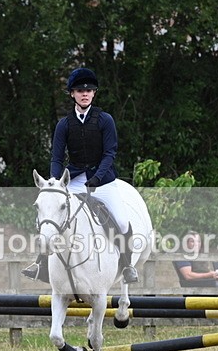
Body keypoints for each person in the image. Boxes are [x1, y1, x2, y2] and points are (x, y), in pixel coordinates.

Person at [23, 67, 139, 283]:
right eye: (79, 90)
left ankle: (127, 265)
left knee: (122, 222)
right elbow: (57, 157)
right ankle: (41, 262)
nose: (84, 94)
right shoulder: (64, 124)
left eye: (89, 90)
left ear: (94, 94)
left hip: (103, 181)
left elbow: (109, 153)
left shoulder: (105, 120)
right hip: (74, 180)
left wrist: (97, 177)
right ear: (72, 94)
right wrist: (55, 183)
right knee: (50, 213)